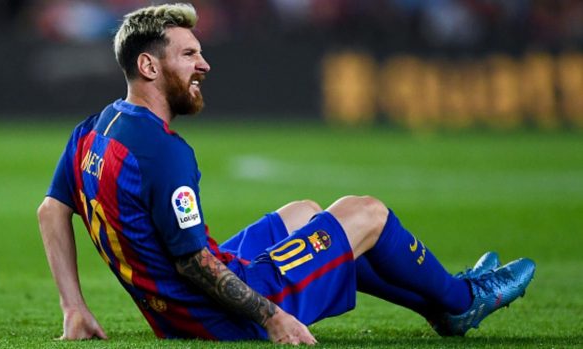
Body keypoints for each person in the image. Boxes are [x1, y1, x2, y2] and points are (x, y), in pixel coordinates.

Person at [37, 3, 535, 345]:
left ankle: (437, 304)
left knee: (305, 213)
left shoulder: (95, 128)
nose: (204, 64)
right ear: (148, 65)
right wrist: (272, 317)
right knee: (367, 213)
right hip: (217, 318)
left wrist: (73, 307)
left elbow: (51, 210)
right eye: (189, 54)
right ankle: (464, 299)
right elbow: (195, 265)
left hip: (175, 309)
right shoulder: (164, 154)